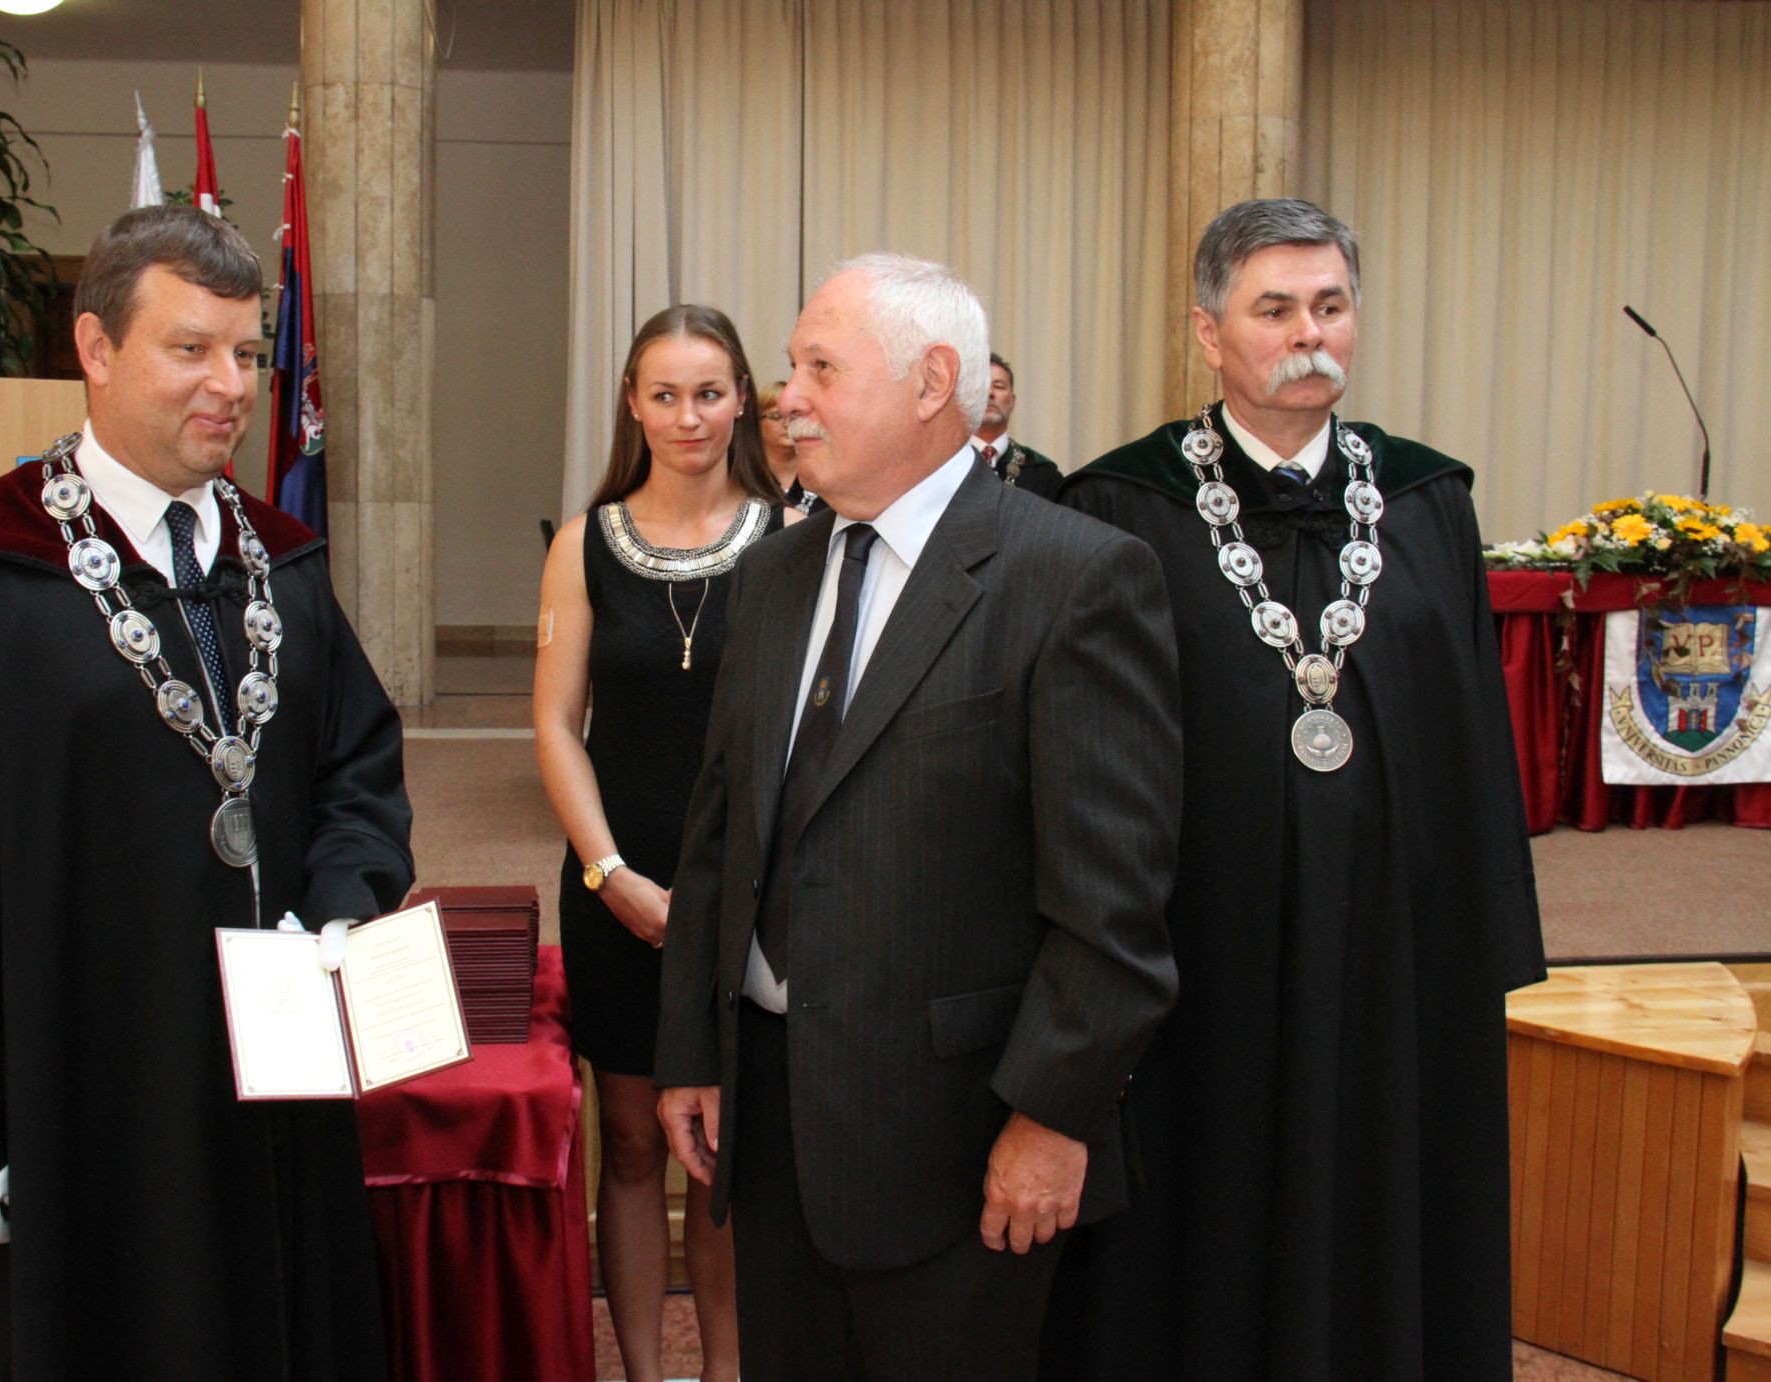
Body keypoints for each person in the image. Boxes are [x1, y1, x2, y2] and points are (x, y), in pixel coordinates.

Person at [0, 205, 412, 1380]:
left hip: (267, 1090)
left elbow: (357, 767)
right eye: (190, 348)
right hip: (68, 1103)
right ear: (96, 347)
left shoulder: (284, 567)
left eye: (246, 350)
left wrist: (339, 904)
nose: (230, 384)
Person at [1041, 198, 1547, 1381]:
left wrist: (1480, 935)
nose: (1307, 333)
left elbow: (1473, 738)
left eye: (1330, 305)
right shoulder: (1119, 507)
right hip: (1199, 963)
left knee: (1383, 1193)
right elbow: (1084, 760)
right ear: (1208, 332)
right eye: (1274, 308)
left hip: (1392, 957)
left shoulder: (1428, 500)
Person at [654, 253, 1181, 1380]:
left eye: (820, 368)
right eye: (791, 369)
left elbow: (1114, 905)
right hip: (773, 1119)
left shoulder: (1074, 576)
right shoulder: (773, 573)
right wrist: (694, 1046)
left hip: (960, 1145)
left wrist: (1052, 1119)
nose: (786, 399)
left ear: (933, 381)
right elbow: (718, 836)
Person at [535, 303, 795, 1382]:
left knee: (725, 1151)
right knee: (637, 1142)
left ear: (742, 402)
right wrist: (610, 876)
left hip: (754, 893)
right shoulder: (582, 544)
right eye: (665, 394)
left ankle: (727, 1370)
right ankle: (644, 1371)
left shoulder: (796, 540)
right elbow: (557, 725)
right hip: (618, 883)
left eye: (709, 392)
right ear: (632, 405)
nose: (689, 416)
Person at [971, 353, 1062, 499]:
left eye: (999, 386)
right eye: (982, 386)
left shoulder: (1042, 472)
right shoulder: (944, 463)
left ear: (1012, 401)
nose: (990, 393)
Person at [757, 379, 822, 513]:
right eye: (776, 416)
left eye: (794, 416)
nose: (787, 424)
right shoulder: (747, 478)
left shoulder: (822, 474)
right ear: (757, 422)